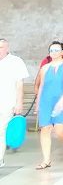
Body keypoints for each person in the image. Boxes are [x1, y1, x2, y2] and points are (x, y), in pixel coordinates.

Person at [34, 40, 63, 168]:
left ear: (62, 52)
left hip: (61, 100)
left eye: (57, 50)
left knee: (59, 130)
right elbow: (41, 86)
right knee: (45, 129)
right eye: (51, 50)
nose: (54, 52)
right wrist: (37, 103)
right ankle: (46, 160)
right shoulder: (45, 68)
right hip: (46, 101)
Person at [0, 39, 28, 168]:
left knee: (1, 130)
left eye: (1, 47)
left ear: (7, 48)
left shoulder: (16, 62)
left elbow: (19, 84)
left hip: (7, 102)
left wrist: (19, 102)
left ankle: (0, 158)